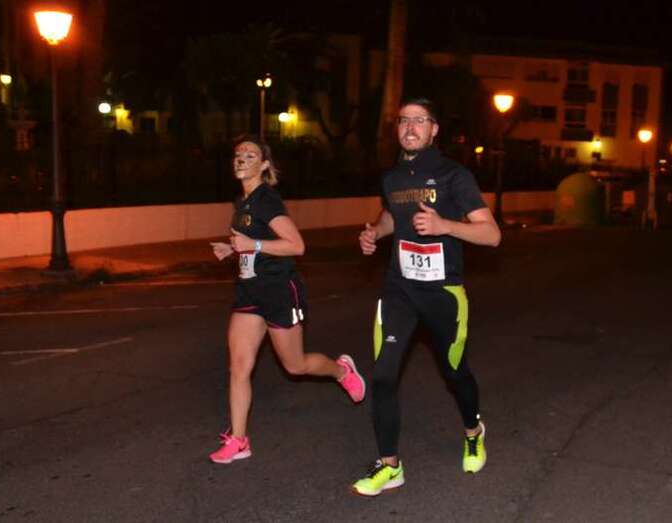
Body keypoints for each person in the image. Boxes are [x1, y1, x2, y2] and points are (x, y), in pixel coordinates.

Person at [351, 98, 501, 495]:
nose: (410, 127)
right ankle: (390, 466)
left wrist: (444, 225)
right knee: (383, 375)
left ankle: (473, 431)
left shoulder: (454, 175)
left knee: (455, 372)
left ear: (434, 129)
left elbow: (492, 234)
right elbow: (391, 216)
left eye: (419, 120)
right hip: (399, 289)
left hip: (443, 293)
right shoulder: (392, 177)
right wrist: (376, 232)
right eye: (404, 120)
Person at [209, 135, 366, 464]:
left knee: (295, 365)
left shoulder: (267, 200)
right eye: (238, 154)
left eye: (250, 155)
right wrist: (233, 249)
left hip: (279, 290)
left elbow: (297, 245)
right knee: (239, 366)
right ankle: (239, 440)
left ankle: (341, 371)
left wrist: (253, 246)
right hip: (249, 291)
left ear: (264, 165)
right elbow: (251, 243)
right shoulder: (242, 203)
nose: (241, 159)